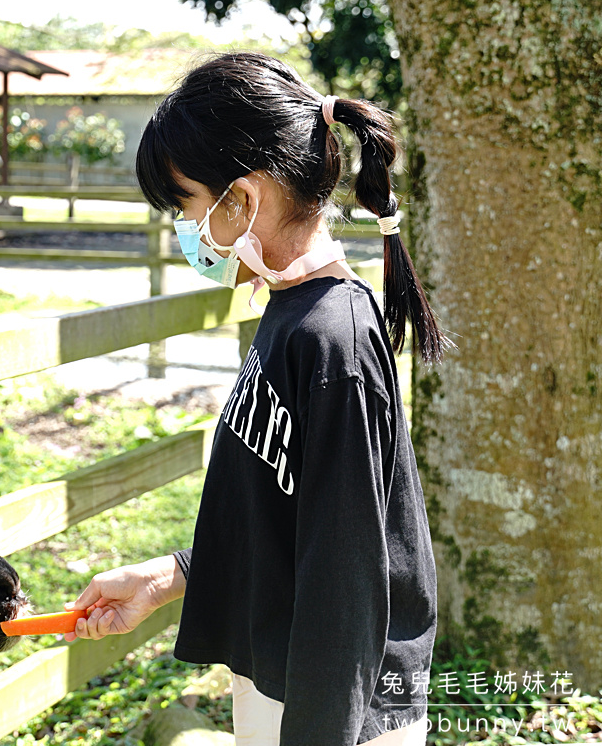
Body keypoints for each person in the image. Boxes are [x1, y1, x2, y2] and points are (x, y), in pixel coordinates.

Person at [63, 52, 448, 746]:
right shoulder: (289, 312)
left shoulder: (335, 343)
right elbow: (281, 510)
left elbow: (347, 584)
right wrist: (170, 576)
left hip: (336, 710)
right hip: (284, 683)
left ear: (241, 200)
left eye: (184, 206)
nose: (184, 232)